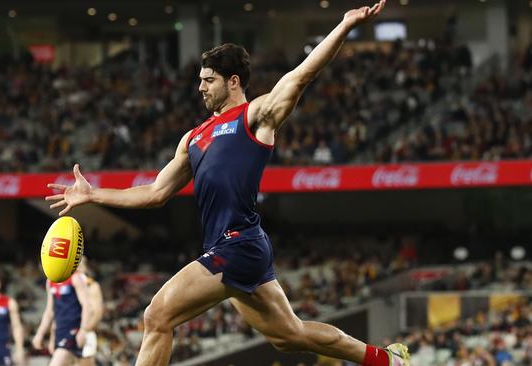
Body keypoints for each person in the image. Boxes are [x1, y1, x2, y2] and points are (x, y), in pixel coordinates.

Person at [45, 1, 410, 365]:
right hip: (234, 245)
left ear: (233, 81)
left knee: (157, 316)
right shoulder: (193, 138)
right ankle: (388, 360)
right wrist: (93, 194)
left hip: (239, 245)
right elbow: (155, 193)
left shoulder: (255, 117)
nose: (200, 88)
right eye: (200, 80)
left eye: (208, 80)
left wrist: (344, 27)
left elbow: (300, 77)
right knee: (289, 335)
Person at [32, 260, 94, 366]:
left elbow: (86, 306)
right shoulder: (50, 281)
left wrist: (83, 330)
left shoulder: (75, 278)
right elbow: (50, 311)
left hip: (74, 329)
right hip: (60, 330)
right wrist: (40, 334)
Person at [47, 257, 104, 365]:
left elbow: (97, 313)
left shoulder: (92, 286)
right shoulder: (67, 284)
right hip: (67, 332)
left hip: (85, 332)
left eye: (80, 264)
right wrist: (53, 336)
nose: (77, 267)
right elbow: (58, 313)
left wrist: (83, 331)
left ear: (85, 267)